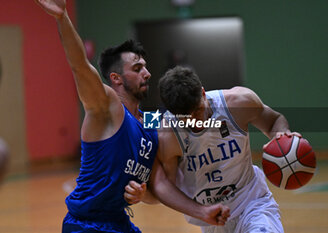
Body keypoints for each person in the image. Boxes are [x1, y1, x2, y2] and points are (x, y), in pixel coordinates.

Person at [35, 1, 230, 232]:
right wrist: (63, 18)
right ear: (116, 78)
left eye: (145, 67)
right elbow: (79, 66)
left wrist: (144, 193)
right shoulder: (107, 108)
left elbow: (157, 188)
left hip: (120, 222)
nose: (147, 73)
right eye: (137, 69)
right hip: (87, 225)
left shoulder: (151, 122)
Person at [151, 66, 301, 233]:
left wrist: (283, 137)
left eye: (198, 110)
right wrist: (200, 211)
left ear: (202, 93)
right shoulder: (167, 134)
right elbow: (166, 185)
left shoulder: (238, 102)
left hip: (252, 205)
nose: (195, 121)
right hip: (212, 220)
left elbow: (273, 120)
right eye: (186, 118)